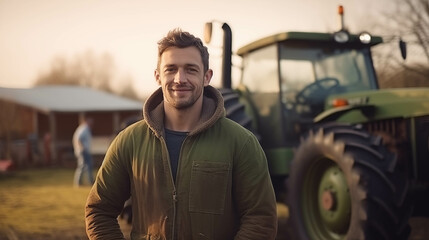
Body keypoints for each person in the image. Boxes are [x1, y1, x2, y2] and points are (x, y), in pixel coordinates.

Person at [85, 29, 278, 240]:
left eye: (191, 69)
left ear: (207, 77)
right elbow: (99, 211)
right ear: (158, 76)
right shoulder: (129, 141)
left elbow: (260, 219)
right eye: (171, 69)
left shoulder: (241, 143)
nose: (180, 78)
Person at [73, 115, 94, 187]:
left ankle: (88, 181)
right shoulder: (84, 129)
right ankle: (79, 183)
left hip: (83, 150)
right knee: (83, 166)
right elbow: (79, 139)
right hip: (83, 151)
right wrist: (82, 148)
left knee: (86, 166)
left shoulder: (82, 128)